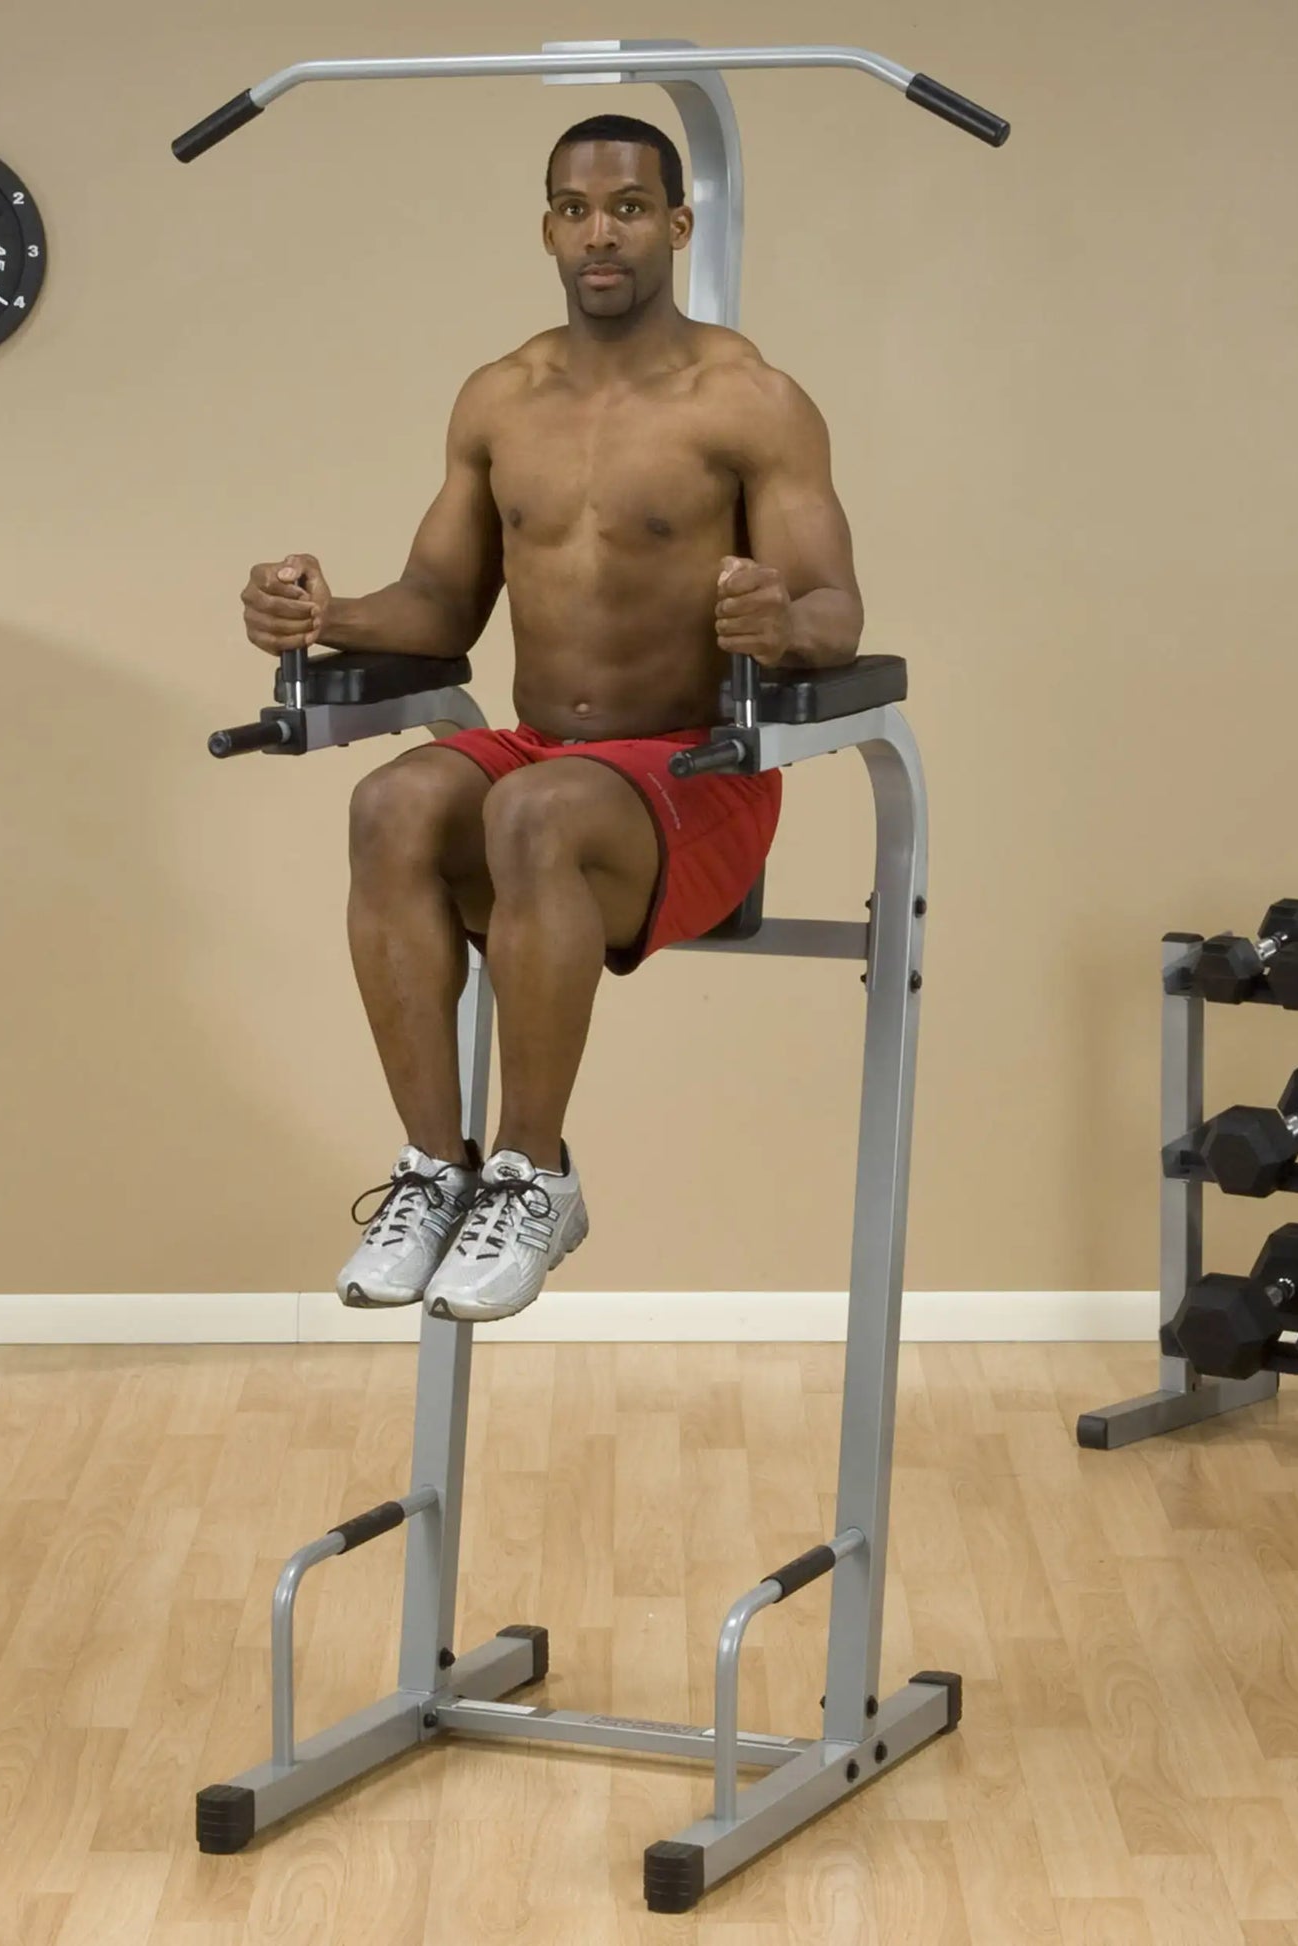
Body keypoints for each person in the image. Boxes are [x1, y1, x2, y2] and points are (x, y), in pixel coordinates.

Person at [240, 114, 864, 1323]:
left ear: (675, 225)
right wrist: (323, 613)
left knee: (531, 810)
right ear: (545, 229)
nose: (599, 233)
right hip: (545, 759)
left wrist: (780, 622)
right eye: (575, 210)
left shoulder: (751, 401)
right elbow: (438, 605)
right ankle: (438, 1170)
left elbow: (836, 606)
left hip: (698, 771)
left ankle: (534, 1174)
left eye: (627, 208)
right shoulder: (499, 399)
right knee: (392, 801)